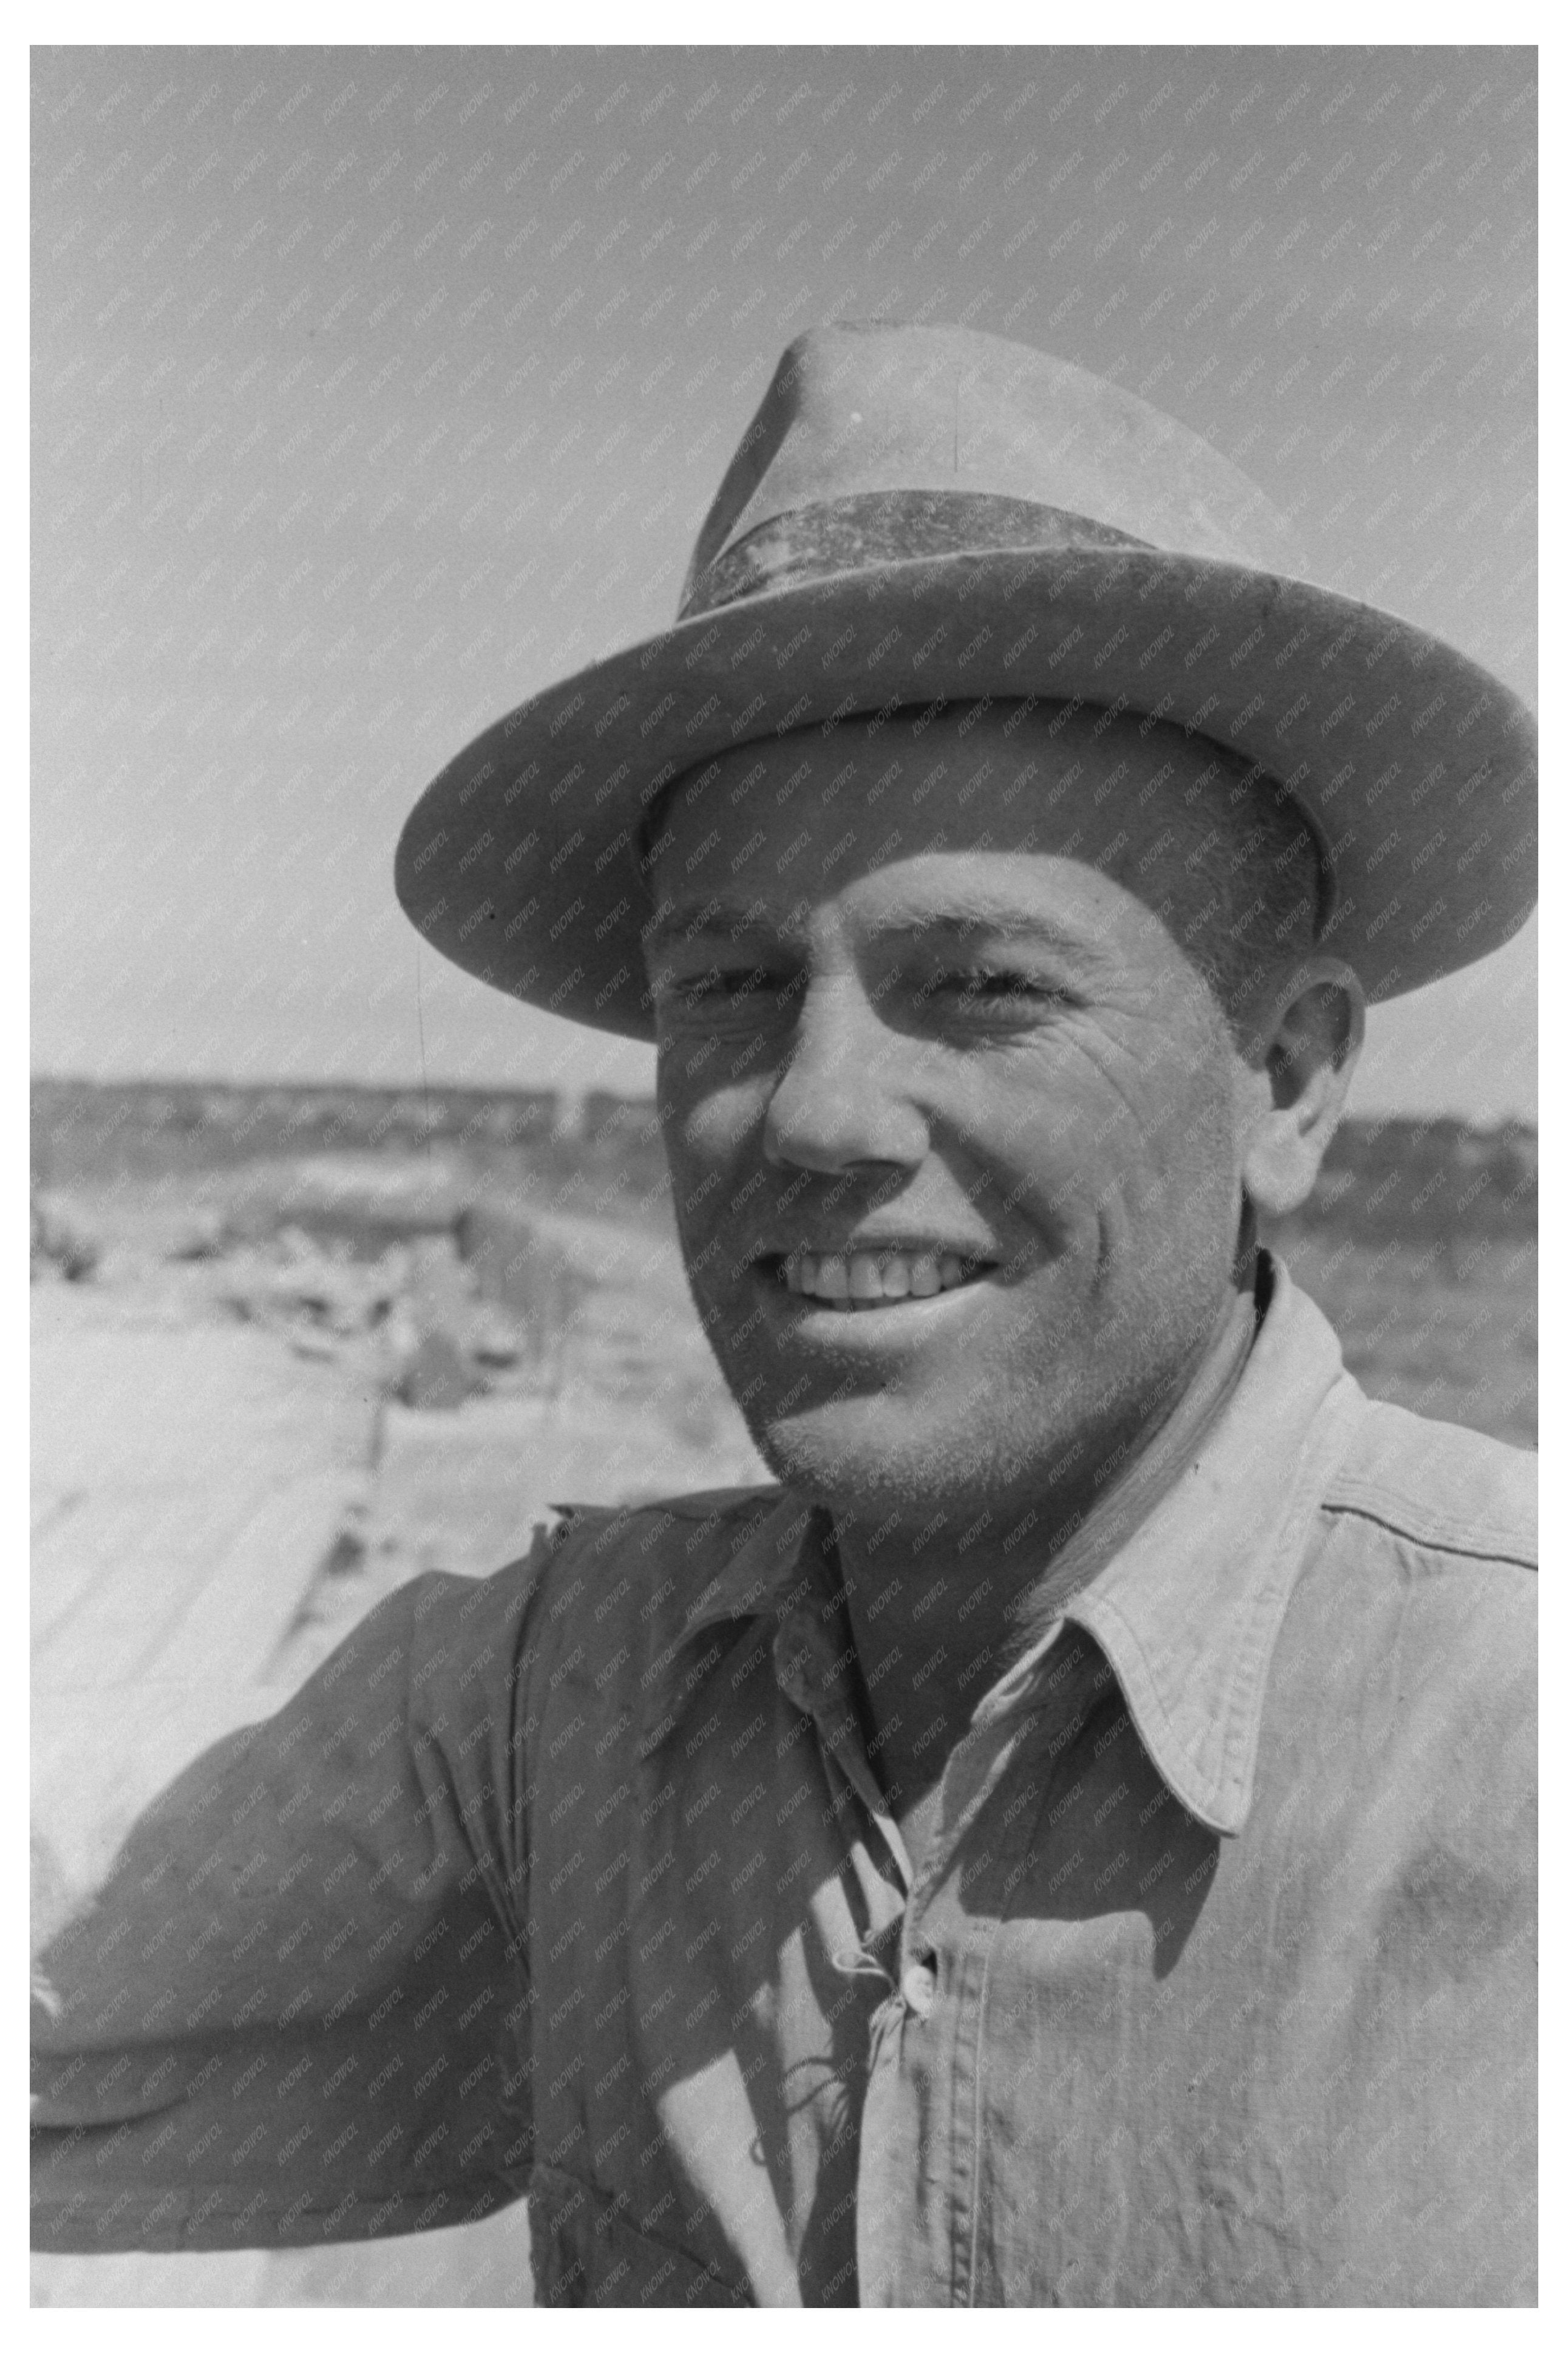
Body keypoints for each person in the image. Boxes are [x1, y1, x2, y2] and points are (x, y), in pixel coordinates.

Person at [32, 322, 1536, 2306]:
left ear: (1287, 1080)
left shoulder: (1509, 1749)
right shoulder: (550, 1714)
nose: (816, 1111)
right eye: (730, 990)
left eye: (984, 982)